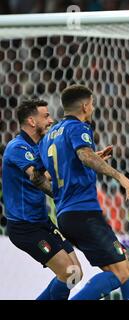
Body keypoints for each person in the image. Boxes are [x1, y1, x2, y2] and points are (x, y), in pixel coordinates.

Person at [39, 84, 129, 300]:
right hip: (84, 213)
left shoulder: (49, 137)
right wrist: (121, 177)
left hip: (67, 214)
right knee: (120, 273)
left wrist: (92, 158)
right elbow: (84, 156)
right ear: (85, 106)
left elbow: (43, 177)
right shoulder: (79, 128)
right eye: (93, 104)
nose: (93, 108)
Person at [2, 97, 82, 299]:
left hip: (42, 221)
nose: (50, 120)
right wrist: (62, 196)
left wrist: (86, 159)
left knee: (76, 273)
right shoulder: (17, 147)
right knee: (67, 273)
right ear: (31, 121)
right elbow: (37, 177)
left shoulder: (41, 147)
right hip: (24, 227)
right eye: (46, 116)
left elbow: (50, 173)